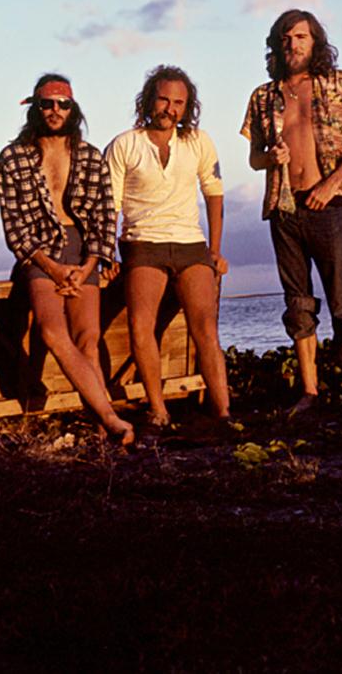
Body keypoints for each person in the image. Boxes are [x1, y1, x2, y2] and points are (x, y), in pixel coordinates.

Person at [241, 8, 342, 415]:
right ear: (276, 44)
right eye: (285, 37)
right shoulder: (263, 96)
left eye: (300, 36)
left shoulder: (340, 84)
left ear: (314, 40)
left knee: (341, 299)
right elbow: (253, 160)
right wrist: (270, 155)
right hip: (284, 207)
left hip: (329, 205)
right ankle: (310, 391)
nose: (292, 44)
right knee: (297, 301)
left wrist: (330, 185)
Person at [0, 74, 136, 446]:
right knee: (51, 331)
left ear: (73, 108)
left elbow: (106, 216)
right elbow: (14, 226)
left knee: (88, 338)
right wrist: (53, 267)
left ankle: (103, 427)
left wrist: (90, 264)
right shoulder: (12, 157)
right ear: (34, 107)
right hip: (40, 250)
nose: (55, 110)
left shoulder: (90, 156)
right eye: (47, 103)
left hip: (82, 248)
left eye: (63, 103)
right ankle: (110, 417)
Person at [105, 65, 232, 429]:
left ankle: (222, 411)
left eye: (178, 102)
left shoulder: (198, 141)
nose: (170, 108)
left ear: (187, 106)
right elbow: (109, 205)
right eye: (163, 99)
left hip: (190, 242)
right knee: (141, 324)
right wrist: (108, 255)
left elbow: (214, 194)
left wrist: (215, 249)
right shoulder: (125, 144)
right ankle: (158, 409)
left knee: (205, 327)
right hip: (143, 241)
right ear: (149, 99)